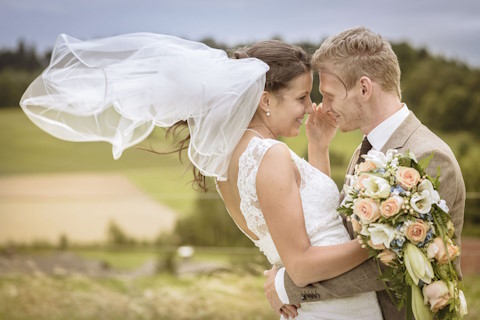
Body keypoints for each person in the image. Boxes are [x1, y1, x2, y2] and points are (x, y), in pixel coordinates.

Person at [20, 33, 383, 319]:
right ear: (266, 100)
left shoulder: (232, 156)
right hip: (336, 310)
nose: (310, 108)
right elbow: (301, 265)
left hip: (325, 304)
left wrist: (318, 147)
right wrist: (380, 241)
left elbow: (305, 227)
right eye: (302, 98)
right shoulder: (268, 155)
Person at [264, 26, 466, 320]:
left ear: (363, 88)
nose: (323, 107)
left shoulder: (429, 157)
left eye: (330, 95)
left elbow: (391, 265)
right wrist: (318, 148)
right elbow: (341, 235)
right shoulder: (368, 148)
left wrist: (289, 287)